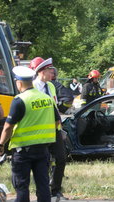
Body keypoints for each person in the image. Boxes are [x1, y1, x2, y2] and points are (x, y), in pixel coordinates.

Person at [0, 66, 59, 202]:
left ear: (19, 83)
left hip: (23, 150)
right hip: (43, 149)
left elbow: (8, 127)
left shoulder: (20, 100)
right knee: (43, 185)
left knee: (22, 186)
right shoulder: (46, 98)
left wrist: (0, 145)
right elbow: (57, 121)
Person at [29, 57, 68, 201]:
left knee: (61, 159)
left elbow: (54, 107)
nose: (51, 73)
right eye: (48, 70)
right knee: (43, 162)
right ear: (40, 71)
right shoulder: (32, 86)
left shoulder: (50, 86)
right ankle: (43, 191)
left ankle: (56, 190)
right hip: (39, 131)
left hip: (54, 129)